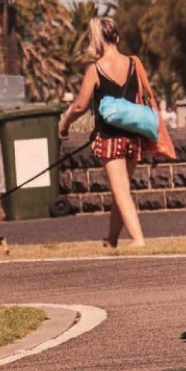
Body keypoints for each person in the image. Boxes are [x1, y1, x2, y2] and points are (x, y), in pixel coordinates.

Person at [58, 16, 146, 249]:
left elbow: (80, 106)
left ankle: (138, 239)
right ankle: (112, 239)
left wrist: (65, 124)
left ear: (96, 40)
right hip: (133, 133)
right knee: (122, 189)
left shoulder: (95, 69)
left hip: (110, 136)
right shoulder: (133, 64)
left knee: (120, 189)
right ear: (116, 37)